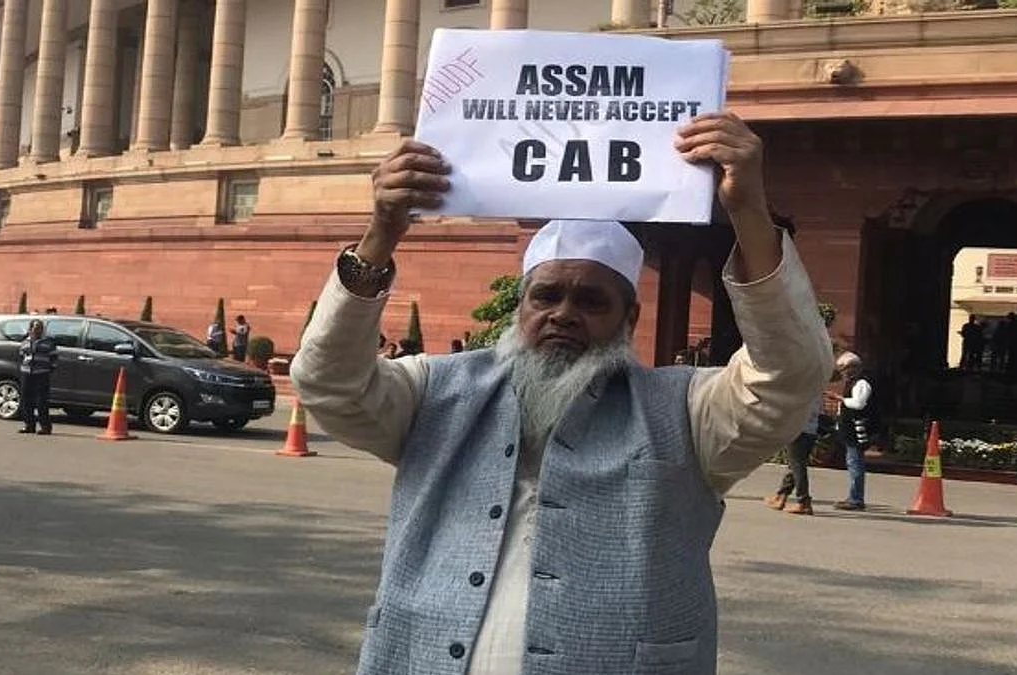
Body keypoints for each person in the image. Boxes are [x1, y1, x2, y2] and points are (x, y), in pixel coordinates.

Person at [291, 112, 833, 675]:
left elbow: (789, 377)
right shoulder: (438, 391)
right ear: (519, 305)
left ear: (629, 318)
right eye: (545, 296)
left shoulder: (687, 414)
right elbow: (328, 383)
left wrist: (748, 210)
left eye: (591, 301)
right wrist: (380, 235)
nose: (563, 315)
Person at [764, 392, 825, 515]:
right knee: (794, 464)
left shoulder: (804, 388)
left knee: (797, 465)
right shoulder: (816, 389)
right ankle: (781, 495)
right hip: (810, 430)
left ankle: (803, 501)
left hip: (799, 430)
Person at [831, 351, 874, 510]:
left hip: (857, 431)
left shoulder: (861, 383)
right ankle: (854, 496)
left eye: (844, 369)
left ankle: (856, 498)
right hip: (849, 430)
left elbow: (858, 404)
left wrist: (840, 399)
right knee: (852, 463)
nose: (843, 373)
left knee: (855, 464)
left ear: (853, 368)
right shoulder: (852, 383)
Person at [18, 319, 57, 435]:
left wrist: (50, 369)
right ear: (30, 329)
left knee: (42, 401)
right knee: (26, 400)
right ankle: (29, 425)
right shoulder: (25, 342)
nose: (37, 330)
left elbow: (54, 358)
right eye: (35, 328)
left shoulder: (48, 343)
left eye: (40, 328)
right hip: (27, 373)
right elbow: (21, 355)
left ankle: (45, 426)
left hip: (42, 374)